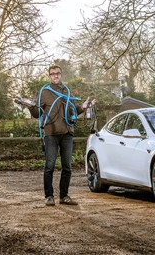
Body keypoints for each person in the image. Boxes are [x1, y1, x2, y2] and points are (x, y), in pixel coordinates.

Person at [28, 65, 94, 206]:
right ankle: (49, 196)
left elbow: (72, 112)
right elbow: (36, 114)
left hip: (67, 134)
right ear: (49, 76)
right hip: (51, 134)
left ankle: (64, 196)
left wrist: (82, 107)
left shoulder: (66, 91)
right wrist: (30, 105)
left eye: (57, 73)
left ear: (61, 74)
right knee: (49, 166)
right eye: (52, 74)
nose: (55, 76)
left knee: (67, 167)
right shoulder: (45, 92)